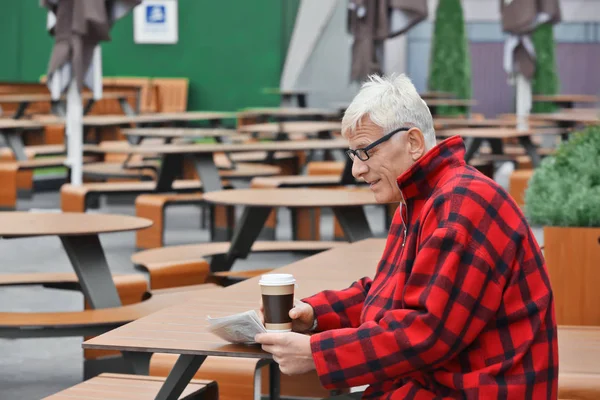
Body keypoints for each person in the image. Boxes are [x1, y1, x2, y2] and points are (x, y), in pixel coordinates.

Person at [255, 74, 558, 399]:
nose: (356, 170)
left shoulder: (462, 203)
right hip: (439, 382)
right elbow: (391, 296)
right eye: (352, 154)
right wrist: (315, 316)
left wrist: (317, 353)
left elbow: (428, 331)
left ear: (413, 142)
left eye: (365, 151)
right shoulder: (422, 197)